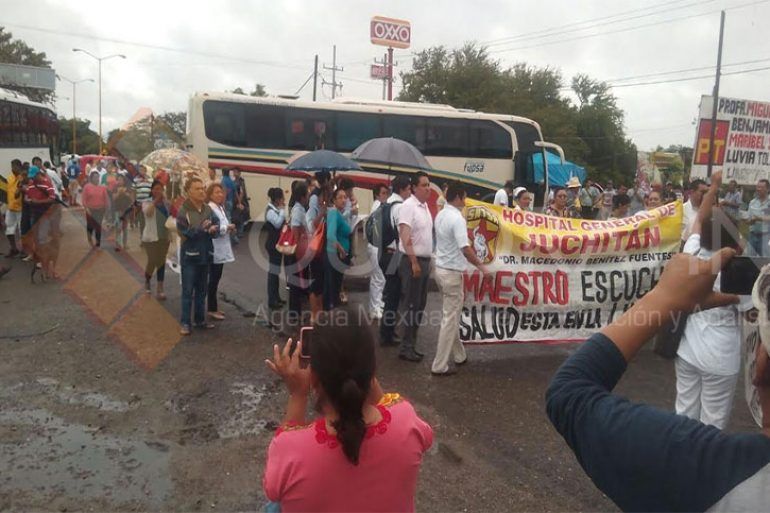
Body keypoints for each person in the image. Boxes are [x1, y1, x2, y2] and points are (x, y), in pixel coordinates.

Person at [546, 243, 770, 511]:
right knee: (709, 414)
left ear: (762, 365)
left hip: (698, 356)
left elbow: (568, 393)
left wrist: (663, 298)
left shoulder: (709, 474)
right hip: (715, 358)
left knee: (690, 410)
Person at [263, 308, 433, 512]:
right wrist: (364, 372)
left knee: (273, 506)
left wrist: (298, 396)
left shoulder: (291, 448)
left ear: (314, 378)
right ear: (373, 370)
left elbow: (273, 489)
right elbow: (425, 437)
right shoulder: (405, 418)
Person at [676, 171, 753, 429]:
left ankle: (678, 463)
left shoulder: (693, 253)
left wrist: (714, 187)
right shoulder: (740, 272)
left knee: (683, 415)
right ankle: (704, 467)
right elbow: (751, 313)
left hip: (687, 350)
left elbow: (699, 219)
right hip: (721, 358)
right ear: (732, 239)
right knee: (713, 425)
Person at [432, 183, 487, 376]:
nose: (465, 200)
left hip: (441, 269)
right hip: (451, 272)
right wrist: (481, 266)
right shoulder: (456, 219)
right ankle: (439, 365)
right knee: (450, 317)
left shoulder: (441, 214)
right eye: (464, 197)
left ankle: (459, 355)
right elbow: (465, 247)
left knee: (451, 313)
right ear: (458, 197)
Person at [397, 171, 434, 362]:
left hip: (424, 260)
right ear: (414, 187)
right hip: (413, 261)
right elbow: (405, 236)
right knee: (411, 305)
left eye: (429, 185)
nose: (428, 188)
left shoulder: (424, 206)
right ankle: (405, 346)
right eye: (424, 185)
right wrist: (413, 262)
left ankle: (412, 344)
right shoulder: (408, 206)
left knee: (420, 305)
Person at [176, 177, 219, 336]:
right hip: (190, 257)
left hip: (205, 255)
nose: (202, 191)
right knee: (188, 291)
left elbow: (216, 224)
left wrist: (214, 228)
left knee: (202, 290)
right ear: (189, 192)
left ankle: (200, 320)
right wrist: (202, 228)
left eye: (202, 188)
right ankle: (185, 323)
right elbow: (185, 233)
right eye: (198, 189)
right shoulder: (183, 211)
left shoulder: (208, 209)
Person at [379, 176, 411, 347]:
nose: (410, 192)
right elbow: (403, 234)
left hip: (384, 253)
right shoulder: (399, 207)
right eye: (408, 189)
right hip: (394, 255)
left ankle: (387, 330)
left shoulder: (387, 203)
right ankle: (387, 334)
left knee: (390, 293)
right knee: (393, 295)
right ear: (402, 190)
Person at [207, 182, 236, 321]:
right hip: (214, 248)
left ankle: (213, 306)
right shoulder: (210, 208)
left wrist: (229, 227)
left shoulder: (220, 207)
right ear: (210, 195)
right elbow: (212, 228)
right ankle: (211, 309)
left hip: (222, 247)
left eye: (221, 192)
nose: (220, 195)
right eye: (216, 192)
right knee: (213, 279)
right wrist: (226, 228)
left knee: (216, 278)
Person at [305, 171, 331, 319]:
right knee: (316, 283)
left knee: (321, 283)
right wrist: (322, 213)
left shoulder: (318, 198)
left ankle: (318, 313)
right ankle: (314, 315)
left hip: (322, 249)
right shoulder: (314, 203)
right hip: (315, 249)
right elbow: (312, 225)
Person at [141, 180, 172, 300]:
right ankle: (147, 280)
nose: (158, 191)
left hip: (164, 236)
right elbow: (148, 213)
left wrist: (169, 202)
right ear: (152, 190)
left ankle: (160, 288)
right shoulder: (147, 202)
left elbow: (172, 215)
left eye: (160, 189)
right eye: (156, 189)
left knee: (161, 262)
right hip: (150, 237)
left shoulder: (166, 203)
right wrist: (155, 201)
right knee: (152, 261)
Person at [324, 188, 352, 311]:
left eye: (345, 197)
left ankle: (333, 310)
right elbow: (330, 235)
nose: (343, 200)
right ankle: (330, 313)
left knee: (335, 285)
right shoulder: (334, 213)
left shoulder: (339, 214)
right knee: (332, 286)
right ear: (334, 200)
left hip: (338, 256)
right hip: (334, 255)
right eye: (340, 197)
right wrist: (341, 250)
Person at [287, 182, 310, 326]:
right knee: (295, 284)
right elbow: (295, 230)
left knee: (297, 283)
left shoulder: (300, 208)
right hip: (295, 252)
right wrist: (298, 250)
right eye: (307, 194)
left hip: (298, 250)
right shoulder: (297, 210)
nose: (308, 197)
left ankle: (296, 313)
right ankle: (294, 315)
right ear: (302, 196)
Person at [367, 184, 390, 319]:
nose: (385, 195)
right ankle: (374, 308)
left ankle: (377, 304)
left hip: (377, 246)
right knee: (378, 277)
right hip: (376, 246)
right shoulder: (377, 207)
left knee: (380, 277)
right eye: (383, 193)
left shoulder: (379, 206)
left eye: (386, 193)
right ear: (376, 195)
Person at [265, 187, 286, 310]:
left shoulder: (275, 209)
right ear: (277, 199)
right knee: (273, 273)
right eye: (282, 198)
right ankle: (272, 300)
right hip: (273, 245)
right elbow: (277, 223)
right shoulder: (270, 211)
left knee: (276, 272)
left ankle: (276, 297)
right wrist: (282, 211)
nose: (283, 200)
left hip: (277, 244)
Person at [81, 171, 109, 248]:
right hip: (90, 209)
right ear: (91, 178)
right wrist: (86, 208)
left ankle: (98, 243)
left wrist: (106, 209)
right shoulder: (87, 187)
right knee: (90, 226)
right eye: (95, 177)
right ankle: (90, 239)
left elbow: (106, 199)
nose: (96, 179)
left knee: (98, 226)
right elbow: (84, 199)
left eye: (97, 177)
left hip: (100, 209)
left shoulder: (102, 187)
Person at [4, 159, 23, 258]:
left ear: (19, 167)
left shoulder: (23, 178)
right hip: (10, 208)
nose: (13, 168)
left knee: (21, 231)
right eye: (12, 166)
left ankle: (24, 250)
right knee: (9, 230)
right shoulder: (9, 178)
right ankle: (13, 248)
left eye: (15, 166)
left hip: (21, 208)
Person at [748, 178, 770, 257]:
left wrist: (758, 218)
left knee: (765, 260)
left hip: (766, 236)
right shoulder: (752, 202)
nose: (758, 189)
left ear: (768, 189)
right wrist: (749, 221)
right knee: (750, 261)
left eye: (761, 187)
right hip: (752, 235)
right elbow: (749, 219)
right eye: (757, 187)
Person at [113, 174, 134, 252]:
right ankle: (118, 244)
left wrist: (125, 193)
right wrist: (119, 193)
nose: (120, 181)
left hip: (126, 210)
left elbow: (131, 199)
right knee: (118, 227)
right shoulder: (115, 188)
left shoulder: (128, 188)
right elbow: (113, 198)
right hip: (117, 209)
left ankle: (125, 244)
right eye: (118, 179)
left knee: (125, 228)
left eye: (121, 179)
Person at [682, 179, 708, 243]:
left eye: (707, 192)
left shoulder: (709, 212)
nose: (705, 195)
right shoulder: (681, 210)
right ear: (692, 192)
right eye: (702, 192)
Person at [133, 165, 153, 231]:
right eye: (140, 170)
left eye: (143, 170)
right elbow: (133, 191)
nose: (141, 172)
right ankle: (142, 234)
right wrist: (134, 202)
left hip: (148, 203)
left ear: (145, 171)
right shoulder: (135, 180)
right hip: (139, 202)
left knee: (147, 219)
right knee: (141, 220)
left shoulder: (150, 179)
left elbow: (152, 190)